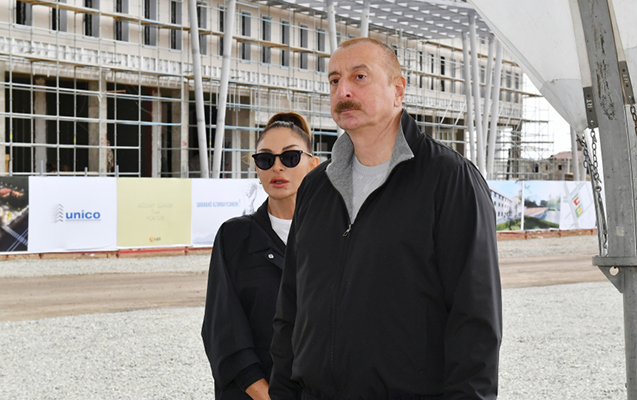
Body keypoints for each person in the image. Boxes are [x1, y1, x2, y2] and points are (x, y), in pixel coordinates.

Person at [269, 37, 502, 399]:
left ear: (398, 90)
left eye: (359, 77)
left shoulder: (448, 179)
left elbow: (475, 320)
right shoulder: (316, 187)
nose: (343, 90)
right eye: (334, 80)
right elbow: (291, 307)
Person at [202, 112, 319, 400]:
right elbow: (223, 333)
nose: (277, 167)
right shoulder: (234, 237)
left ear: (313, 164)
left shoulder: (336, 235)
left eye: (290, 157)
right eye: (266, 159)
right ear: (256, 167)